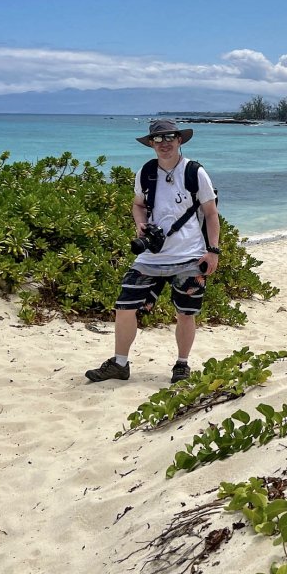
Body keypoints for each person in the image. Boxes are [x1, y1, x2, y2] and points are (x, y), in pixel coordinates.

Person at [85, 119, 221, 384]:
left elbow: (211, 213)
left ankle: (182, 365)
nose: (164, 143)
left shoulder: (195, 172)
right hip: (151, 256)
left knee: (186, 312)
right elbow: (138, 205)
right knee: (124, 306)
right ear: (151, 144)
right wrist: (140, 224)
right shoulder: (146, 172)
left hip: (189, 255)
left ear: (179, 140)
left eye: (169, 137)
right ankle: (119, 364)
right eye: (157, 139)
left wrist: (213, 251)